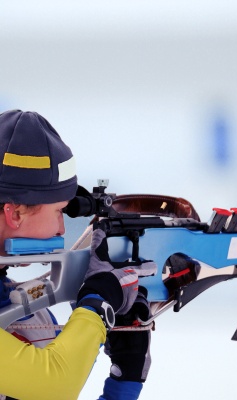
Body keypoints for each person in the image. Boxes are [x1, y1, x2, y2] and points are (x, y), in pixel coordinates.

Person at [0, 110, 155, 399]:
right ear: (15, 213)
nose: (61, 226)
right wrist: (96, 307)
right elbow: (54, 383)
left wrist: (125, 380)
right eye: (59, 211)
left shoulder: (18, 306)